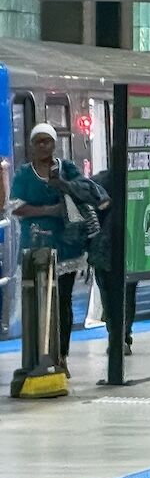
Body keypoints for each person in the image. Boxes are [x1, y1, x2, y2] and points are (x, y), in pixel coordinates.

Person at [8, 123, 103, 373]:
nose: (42, 146)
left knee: (63, 301)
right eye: (38, 142)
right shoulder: (23, 175)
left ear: (54, 144)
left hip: (66, 247)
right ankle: (36, 357)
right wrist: (49, 210)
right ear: (31, 146)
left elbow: (84, 191)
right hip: (34, 247)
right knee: (36, 301)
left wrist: (63, 185)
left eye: (46, 141)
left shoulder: (68, 169)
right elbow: (16, 206)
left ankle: (61, 356)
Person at [89, 164, 138, 356]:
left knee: (110, 294)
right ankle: (122, 335)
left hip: (104, 251)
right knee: (126, 293)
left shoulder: (98, 182)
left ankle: (118, 334)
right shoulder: (135, 182)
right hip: (123, 248)